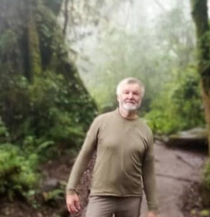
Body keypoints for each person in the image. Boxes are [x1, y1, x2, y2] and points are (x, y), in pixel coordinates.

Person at [65, 77, 159, 217]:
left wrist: (153, 208)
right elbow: (84, 156)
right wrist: (71, 190)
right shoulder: (101, 122)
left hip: (131, 198)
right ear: (118, 96)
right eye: (126, 92)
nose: (130, 96)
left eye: (135, 93)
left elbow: (149, 171)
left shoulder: (145, 131)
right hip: (101, 195)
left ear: (140, 98)